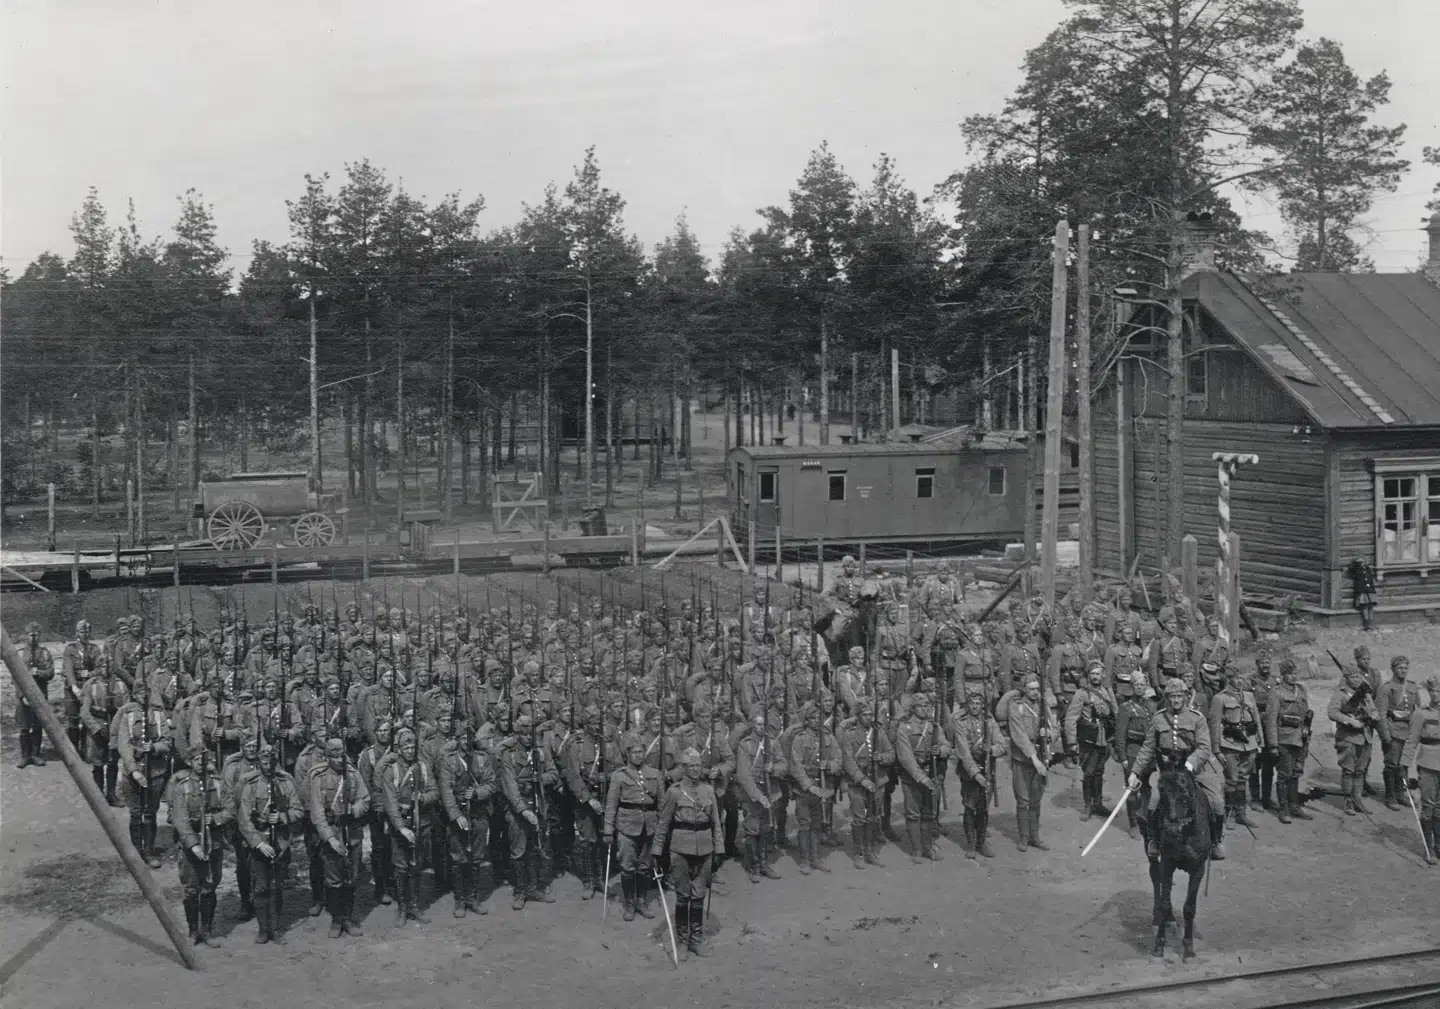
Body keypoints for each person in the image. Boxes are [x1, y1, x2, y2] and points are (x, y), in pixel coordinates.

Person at [1127, 677, 1227, 860]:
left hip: (1195, 769)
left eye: (1179, 696)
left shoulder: (1197, 719)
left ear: (1186, 696)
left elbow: (1205, 747)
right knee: (1154, 800)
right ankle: (1154, 840)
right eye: (1172, 697)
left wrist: (1190, 763)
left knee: (1217, 802)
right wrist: (1135, 772)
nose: (1175, 700)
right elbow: (1148, 747)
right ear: (1167, 698)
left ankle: (1216, 841)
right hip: (1168, 770)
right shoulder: (1158, 718)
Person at [655, 748, 724, 957]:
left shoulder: (708, 791)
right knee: (683, 896)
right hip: (680, 849)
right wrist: (657, 852)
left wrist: (719, 849)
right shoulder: (674, 792)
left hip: (705, 849)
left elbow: (716, 824)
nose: (695, 769)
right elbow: (663, 824)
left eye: (698, 765)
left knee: (698, 896)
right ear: (683, 769)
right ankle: (683, 940)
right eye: (691, 766)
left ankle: (696, 939)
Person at [237, 745, 305, 944]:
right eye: (264, 762)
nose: (267, 766)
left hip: (281, 843)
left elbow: (298, 810)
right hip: (259, 843)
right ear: (258, 763)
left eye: (271, 762)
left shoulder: (285, 783)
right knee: (260, 888)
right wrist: (258, 844)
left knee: (277, 887)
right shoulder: (250, 785)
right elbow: (244, 819)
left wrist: (283, 817)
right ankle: (263, 929)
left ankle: (275, 929)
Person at [167, 751, 232, 947]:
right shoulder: (182, 787)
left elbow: (231, 809)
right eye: (197, 760)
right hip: (191, 844)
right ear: (189, 762)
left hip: (214, 842)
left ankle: (207, 930)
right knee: (191, 888)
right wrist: (192, 845)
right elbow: (180, 819)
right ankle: (193, 931)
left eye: (207, 760)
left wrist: (218, 818)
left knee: (210, 885)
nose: (203, 764)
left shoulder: (219, 785)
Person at [308, 737, 370, 938]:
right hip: (332, 836)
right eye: (334, 756)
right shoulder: (318, 777)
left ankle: (347, 918)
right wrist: (330, 838)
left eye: (341, 755)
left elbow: (365, 798)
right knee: (334, 880)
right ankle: (336, 920)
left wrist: (355, 809)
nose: (339, 760)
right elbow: (317, 813)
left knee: (351, 878)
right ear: (327, 757)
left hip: (352, 834)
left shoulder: (353, 774)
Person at [496, 713, 557, 910]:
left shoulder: (541, 751)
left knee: (537, 848)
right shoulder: (509, 754)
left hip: (539, 804)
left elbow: (553, 774)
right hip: (518, 809)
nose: (528, 738)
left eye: (530, 733)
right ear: (517, 734)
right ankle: (520, 890)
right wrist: (522, 810)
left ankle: (533, 888)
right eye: (523, 734)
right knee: (518, 850)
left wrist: (539, 779)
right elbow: (510, 786)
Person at [381, 727, 438, 924]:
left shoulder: (423, 767)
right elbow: (390, 803)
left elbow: (434, 792)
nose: (410, 749)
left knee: (417, 865)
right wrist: (401, 828)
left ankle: (414, 906)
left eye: (413, 746)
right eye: (406, 746)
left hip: (421, 822)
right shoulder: (392, 770)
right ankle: (403, 907)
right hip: (401, 825)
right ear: (398, 748)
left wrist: (423, 798)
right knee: (400, 867)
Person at [440, 725, 497, 916]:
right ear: (456, 740)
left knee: (476, 857)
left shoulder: (482, 759)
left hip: (479, 814)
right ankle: (459, 900)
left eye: (469, 737)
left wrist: (478, 793)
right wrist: (456, 815)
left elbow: (491, 784)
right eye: (462, 738)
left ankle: (473, 897)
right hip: (458, 814)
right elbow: (446, 791)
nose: (466, 741)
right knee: (458, 857)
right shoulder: (449, 761)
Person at [603, 739, 662, 920]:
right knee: (627, 866)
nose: (638, 755)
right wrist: (608, 830)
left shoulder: (655, 774)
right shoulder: (619, 776)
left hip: (649, 826)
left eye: (641, 752)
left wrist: (660, 830)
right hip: (626, 825)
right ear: (627, 754)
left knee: (645, 866)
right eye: (634, 752)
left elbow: (661, 804)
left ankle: (641, 901)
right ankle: (629, 904)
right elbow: (611, 805)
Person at [895, 692, 950, 862]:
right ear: (913, 709)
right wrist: (921, 778)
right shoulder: (905, 728)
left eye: (927, 706)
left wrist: (940, 751)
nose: (924, 709)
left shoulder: (935, 727)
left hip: (931, 772)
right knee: (913, 814)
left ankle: (927, 846)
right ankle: (916, 849)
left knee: (928, 813)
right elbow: (906, 757)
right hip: (913, 777)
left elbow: (947, 745)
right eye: (920, 706)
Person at [788, 701, 841, 874]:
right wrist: (808, 786)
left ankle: (816, 858)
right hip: (804, 788)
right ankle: (805, 860)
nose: (817, 720)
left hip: (823, 785)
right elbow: (796, 765)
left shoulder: (828, 737)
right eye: (813, 718)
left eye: (819, 717)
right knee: (804, 823)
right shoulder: (800, 739)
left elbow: (838, 759)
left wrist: (830, 765)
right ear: (807, 720)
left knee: (817, 823)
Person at [838, 698, 891, 867]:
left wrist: (882, 757)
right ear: (858, 716)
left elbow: (891, 753)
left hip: (877, 780)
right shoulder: (849, 734)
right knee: (859, 818)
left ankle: (870, 851)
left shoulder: (879, 733)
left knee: (873, 817)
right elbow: (847, 761)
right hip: (857, 783)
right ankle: (859, 852)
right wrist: (862, 779)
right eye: (865, 715)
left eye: (870, 715)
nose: (868, 718)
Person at [952, 687, 1004, 858]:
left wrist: (993, 749)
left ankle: (982, 842)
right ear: (967, 705)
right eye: (972, 704)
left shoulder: (990, 722)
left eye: (978, 704)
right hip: (969, 771)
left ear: (983, 706)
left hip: (988, 769)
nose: (975, 707)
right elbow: (964, 753)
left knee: (983, 808)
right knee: (969, 806)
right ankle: (970, 843)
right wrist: (975, 774)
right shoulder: (961, 723)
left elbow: (1002, 745)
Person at [1208, 669, 1263, 830]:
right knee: (1231, 779)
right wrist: (1216, 749)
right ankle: (1229, 815)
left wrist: (1260, 740)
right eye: (1235, 678)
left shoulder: (1249, 696)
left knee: (1243, 779)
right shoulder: (1220, 698)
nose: (1239, 681)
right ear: (1228, 679)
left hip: (1249, 742)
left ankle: (1242, 814)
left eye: (1241, 678)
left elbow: (1257, 719)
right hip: (1230, 743)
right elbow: (1214, 724)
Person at [1264, 658, 1314, 824]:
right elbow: (1271, 721)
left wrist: (1307, 733)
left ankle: (1294, 806)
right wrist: (1273, 745)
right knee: (1284, 775)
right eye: (1289, 674)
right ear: (1282, 675)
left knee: (1296, 773)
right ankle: (1283, 808)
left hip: (1301, 738)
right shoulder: (1276, 693)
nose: (1293, 677)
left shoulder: (1301, 691)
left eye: (1294, 673)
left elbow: (1306, 715)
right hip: (1284, 739)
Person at [1064, 661, 1116, 821]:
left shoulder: (1107, 690)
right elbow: (1071, 718)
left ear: (1103, 675)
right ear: (1088, 675)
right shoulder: (1081, 693)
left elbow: (1115, 711)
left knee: (1099, 771)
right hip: (1089, 738)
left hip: (1105, 737)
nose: (1095, 677)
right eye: (1092, 674)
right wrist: (1072, 742)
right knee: (1088, 772)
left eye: (1098, 674)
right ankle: (1087, 805)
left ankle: (1098, 803)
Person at [1007, 676, 1052, 852]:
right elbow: (1018, 734)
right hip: (1023, 758)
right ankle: (1024, 838)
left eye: (1037, 689)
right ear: (1024, 689)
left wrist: (1047, 734)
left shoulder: (1043, 705)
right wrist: (1034, 758)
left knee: (1036, 799)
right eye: (1031, 689)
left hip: (1041, 755)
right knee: (1023, 800)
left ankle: (1035, 837)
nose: (1035, 692)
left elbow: (1054, 728)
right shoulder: (1015, 706)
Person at [1328, 665, 1379, 816]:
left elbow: (1373, 708)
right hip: (1348, 737)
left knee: (1360, 770)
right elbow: (1332, 712)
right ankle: (1348, 801)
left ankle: (1358, 800)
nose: (1356, 680)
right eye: (1353, 677)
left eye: (1358, 676)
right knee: (1349, 770)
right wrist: (1350, 721)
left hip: (1365, 736)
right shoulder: (1340, 694)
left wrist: (1375, 715)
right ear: (1346, 679)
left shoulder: (1365, 693)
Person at [1399, 677, 1439, 866]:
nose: (1435, 694)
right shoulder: (1420, 714)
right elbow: (1411, 741)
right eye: (1432, 691)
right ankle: (1428, 846)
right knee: (1429, 805)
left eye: (1439, 691)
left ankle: (1439, 845)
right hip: (1428, 763)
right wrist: (1404, 766)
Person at [1376, 657, 1421, 812]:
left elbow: (1417, 711)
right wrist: (1385, 734)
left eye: (1405, 668)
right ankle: (1390, 795)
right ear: (1393, 669)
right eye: (1400, 667)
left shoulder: (1412, 687)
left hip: (1408, 731)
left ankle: (1401, 793)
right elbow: (1381, 714)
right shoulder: (1386, 688)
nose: (1403, 670)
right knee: (1391, 764)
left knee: (1404, 763)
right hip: (1392, 729)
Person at [16, 622, 54, 768]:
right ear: (26, 636)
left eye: (36, 635)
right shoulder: (19, 653)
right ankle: (25, 756)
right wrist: (22, 695)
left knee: (38, 724)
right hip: (23, 696)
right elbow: (16, 677)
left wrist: (38, 673)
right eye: (30, 635)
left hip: (40, 694)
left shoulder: (45, 652)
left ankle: (36, 754)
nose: (33, 638)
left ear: (39, 636)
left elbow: (50, 673)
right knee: (24, 725)